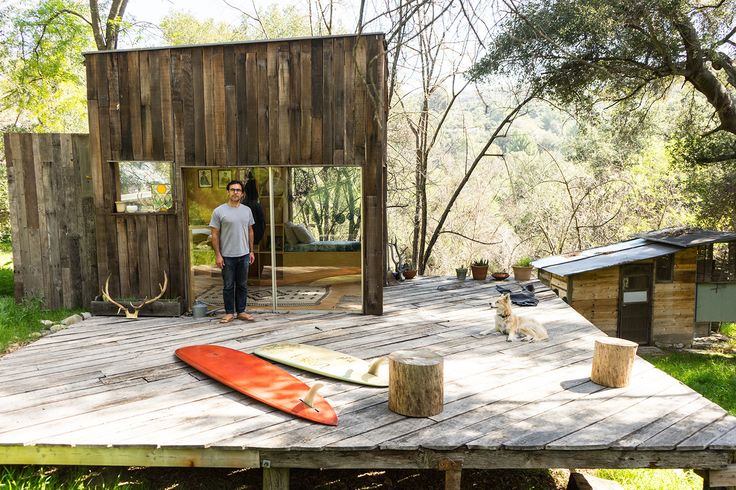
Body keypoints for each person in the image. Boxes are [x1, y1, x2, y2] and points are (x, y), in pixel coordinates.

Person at [209, 180, 255, 323]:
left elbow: (250, 231)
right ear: (228, 192)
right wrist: (218, 254)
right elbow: (214, 234)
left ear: (242, 194)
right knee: (228, 286)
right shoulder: (219, 211)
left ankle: (241, 311)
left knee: (242, 284)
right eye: (233, 189)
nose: (235, 192)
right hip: (227, 256)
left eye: (238, 190)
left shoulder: (247, 210)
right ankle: (229, 312)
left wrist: (251, 251)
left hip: (244, 254)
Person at [242, 175, 266, 245]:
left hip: (244, 238)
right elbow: (262, 223)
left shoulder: (242, 204)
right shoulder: (256, 205)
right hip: (255, 235)